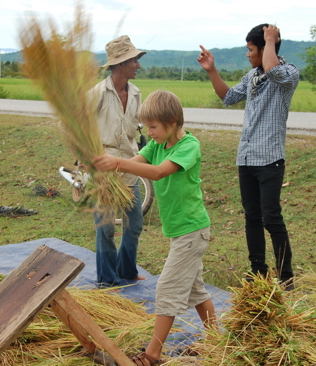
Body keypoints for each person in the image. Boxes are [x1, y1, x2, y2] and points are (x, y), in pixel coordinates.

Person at [94, 90, 218, 365]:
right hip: (181, 232)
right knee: (196, 291)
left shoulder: (188, 146)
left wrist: (116, 162)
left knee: (166, 288)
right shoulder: (156, 144)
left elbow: (159, 172)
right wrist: (104, 167)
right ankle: (217, 341)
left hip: (192, 231)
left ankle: (152, 355)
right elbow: (136, 166)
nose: (149, 133)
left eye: (153, 127)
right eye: (146, 127)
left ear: (172, 122)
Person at [198, 24, 299, 288]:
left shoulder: (288, 73)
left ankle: (286, 276)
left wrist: (269, 41)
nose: (247, 54)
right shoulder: (253, 76)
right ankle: (258, 271)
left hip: (270, 160)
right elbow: (229, 97)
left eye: (250, 49)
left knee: (271, 217)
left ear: (265, 48)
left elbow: (274, 71)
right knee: (252, 217)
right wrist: (211, 70)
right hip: (247, 158)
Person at [90, 35, 147, 288]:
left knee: (134, 223)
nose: (138, 64)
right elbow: (72, 125)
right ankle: (108, 278)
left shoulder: (135, 93)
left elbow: (139, 127)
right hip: (105, 170)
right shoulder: (98, 93)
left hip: (129, 166)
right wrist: (88, 155)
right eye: (134, 60)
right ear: (120, 64)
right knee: (105, 228)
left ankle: (127, 271)